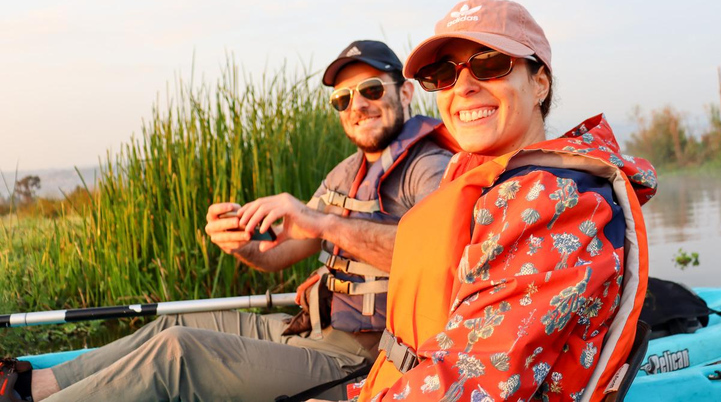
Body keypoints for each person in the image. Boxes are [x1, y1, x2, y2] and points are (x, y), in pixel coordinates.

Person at [1, 40, 454, 402]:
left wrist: (318, 222)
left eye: (372, 90)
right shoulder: (345, 173)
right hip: (312, 331)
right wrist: (243, 245)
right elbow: (281, 253)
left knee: (178, 352)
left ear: (405, 92)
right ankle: (28, 386)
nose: (357, 105)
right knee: (170, 326)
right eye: (343, 98)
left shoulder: (429, 168)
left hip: (363, 361)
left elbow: (434, 261)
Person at [352, 0, 658, 402]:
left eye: (490, 64)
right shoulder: (484, 181)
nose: (463, 87)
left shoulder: (558, 203)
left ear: (540, 83)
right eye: (442, 74)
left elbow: (473, 383)